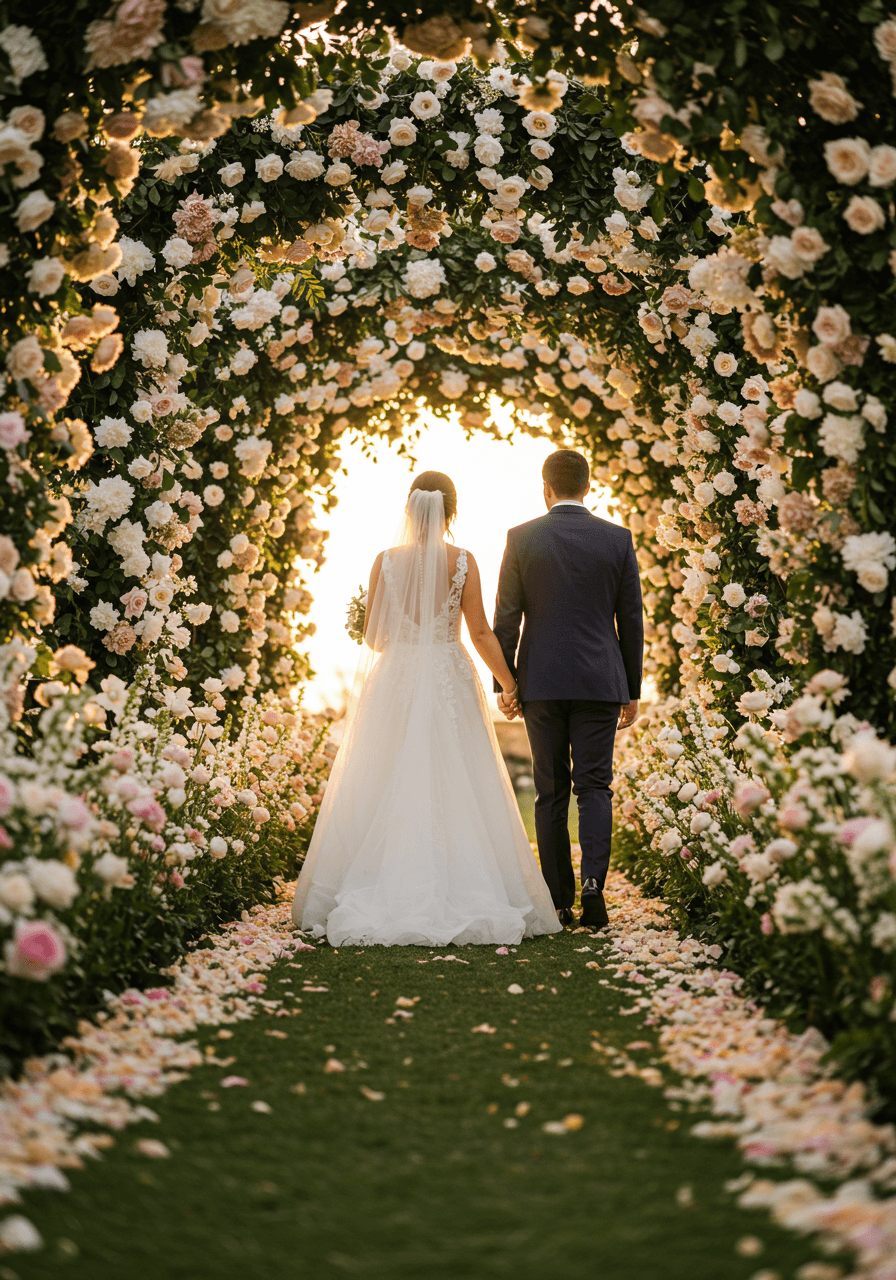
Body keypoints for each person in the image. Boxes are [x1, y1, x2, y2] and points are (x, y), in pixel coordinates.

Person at [291, 471, 561, 947]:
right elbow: (479, 632)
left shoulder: (385, 562)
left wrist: (380, 626)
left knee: (386, 772)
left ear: (410, 509)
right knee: (457, 774)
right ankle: (464, 880)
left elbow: (375, 638)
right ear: (450, 512)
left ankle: (381, 878)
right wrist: (509, 683)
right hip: (447, 675)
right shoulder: (463, 561)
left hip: (396, 678)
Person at [493, 448, 644, 931]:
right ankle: (594, 890)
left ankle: (558, 901)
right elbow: (632, 621)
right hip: (602, 680)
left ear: (546, 487)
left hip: (540, 681)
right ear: (588, 486)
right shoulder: (617, 539)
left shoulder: (521, 538)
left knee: (550, 791)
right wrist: (632, 687)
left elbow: (506, 619)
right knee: (596, 787)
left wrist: (507, 684)